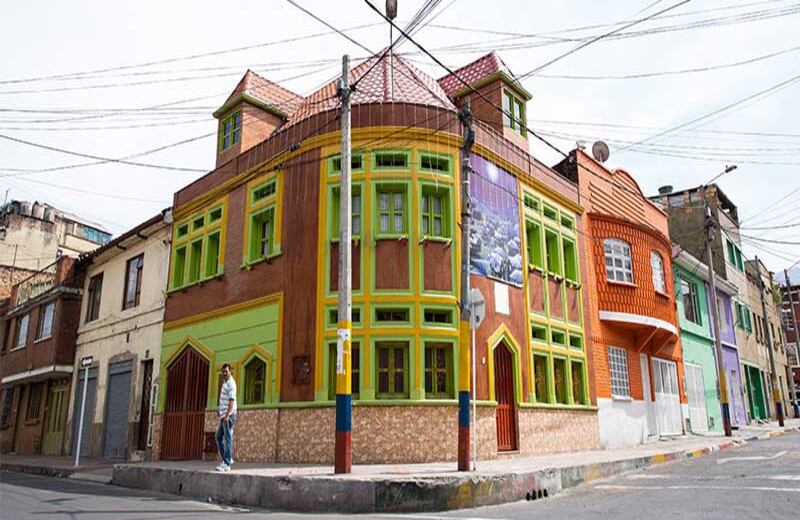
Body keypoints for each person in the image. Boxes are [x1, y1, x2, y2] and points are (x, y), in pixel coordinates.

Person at [215, 363, 237, 472]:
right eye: (223, 371)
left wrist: (227, 415)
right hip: (224, 415)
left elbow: (232, 401)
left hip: (229, 415)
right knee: (218, 436)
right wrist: (220, 410)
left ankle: (227, 463)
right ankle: (227, 459)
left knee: (227, 438)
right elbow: (224, 399)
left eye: (226, 371)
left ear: (230, 372)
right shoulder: (225, 381)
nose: (224, 373)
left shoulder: (231, 383)